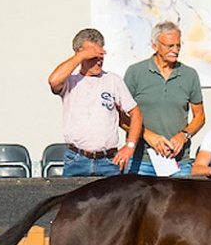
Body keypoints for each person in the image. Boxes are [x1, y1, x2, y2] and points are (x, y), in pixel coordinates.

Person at [48, 28, 142, 177]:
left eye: (100, 56)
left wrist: (130, 146)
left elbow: (135, 113)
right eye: (92, 56)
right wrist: (82, 55)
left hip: (109, 161)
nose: (98, 60)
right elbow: (53, 80)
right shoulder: (70, 81)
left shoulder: (113, 80)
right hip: (77, 159)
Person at [123, 21, 205, 177]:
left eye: (178, 45)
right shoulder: (135, 73)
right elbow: (121, 117)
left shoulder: (190, 75)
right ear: (154, 45)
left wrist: (184, 136)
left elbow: (200, 116)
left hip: (178, 163)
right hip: (141, 162)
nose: (175, 50)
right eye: (169, 46)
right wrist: (147, 135)